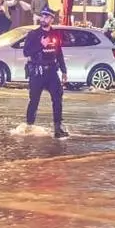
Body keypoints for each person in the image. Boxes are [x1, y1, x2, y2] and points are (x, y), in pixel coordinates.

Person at [22, 7, 68, 138]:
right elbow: (26, 52)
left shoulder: (55, 34)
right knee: (34, 100)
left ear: (52, 19)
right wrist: (41, 45)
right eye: (42, 16)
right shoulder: (33, 34)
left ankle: (58, 128)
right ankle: (29, 127)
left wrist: (64, 71)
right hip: (37, 71)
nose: (43, 19)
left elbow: (59, 54)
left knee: (57, 98)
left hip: (52, 71)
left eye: (46, 17)